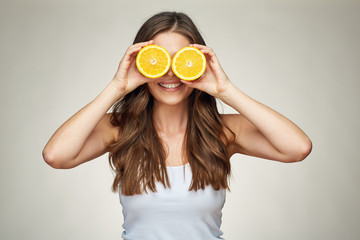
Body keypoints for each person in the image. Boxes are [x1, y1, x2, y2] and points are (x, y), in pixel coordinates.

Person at [42, 11, 312, 240]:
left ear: (198, 64)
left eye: (180, 59)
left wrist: (226, 90)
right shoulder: (119, 129)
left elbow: (298, 148)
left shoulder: (223, 132)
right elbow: (56, 156)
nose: (170, 72)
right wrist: (116, 88)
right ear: (141, 61)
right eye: (159, 59)